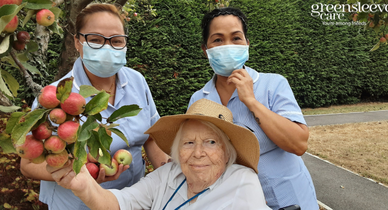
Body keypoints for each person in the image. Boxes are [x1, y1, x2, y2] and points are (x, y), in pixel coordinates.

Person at [20, 3, 169, 210]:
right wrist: (79, 172)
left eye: (116, 41)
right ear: (77, 42)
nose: (107, 47)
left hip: (132, 200)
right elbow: (27, 165)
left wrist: (169, 173)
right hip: (76, 204)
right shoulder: (56, 98)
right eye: (96, 40)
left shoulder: (137, 81)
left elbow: (152, 135)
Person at [188, 7, 319, 210]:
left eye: (236, 38)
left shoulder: (273, 84)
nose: (228, 45)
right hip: (235, 202)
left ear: (247, 44)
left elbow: (298, 144)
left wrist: (251, 101)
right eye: (218, 40)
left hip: (289, 200)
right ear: (205, 50)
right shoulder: (199, 100)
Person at [46, 99, 272, 210]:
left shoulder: (242, 181)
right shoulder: (168, 174)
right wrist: (85, 186)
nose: (198, 153)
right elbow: (118, 203)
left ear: (227, 151)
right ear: (177, 150)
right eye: (189, 142)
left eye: (211, 142)